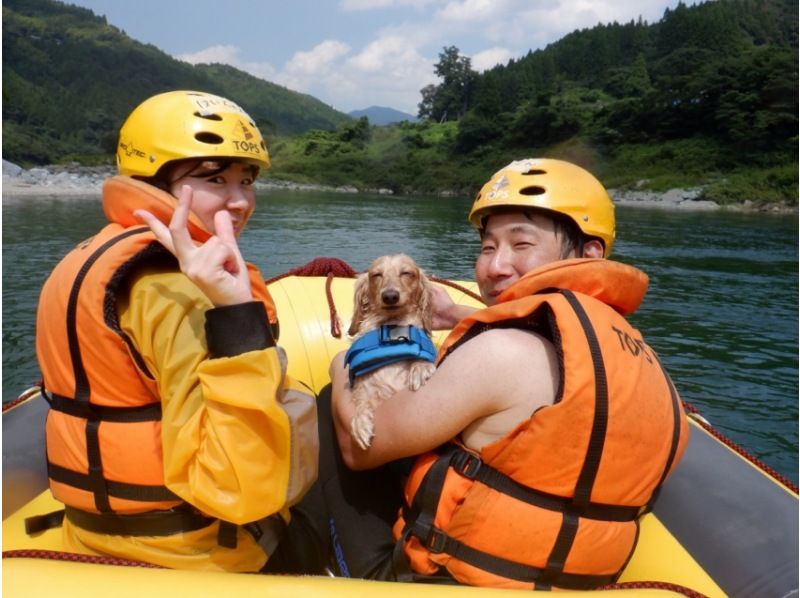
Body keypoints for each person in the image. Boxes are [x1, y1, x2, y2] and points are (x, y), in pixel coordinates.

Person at [312, 158, 691, 590]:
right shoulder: (641, 357)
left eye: (521, 244)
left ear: (588, 253)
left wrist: (344, 363)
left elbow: (359, 448)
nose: (495, 266)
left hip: (445, 580)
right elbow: (552, 352)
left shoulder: (499, 354)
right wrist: (456, 312)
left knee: (332, 401)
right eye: (488, 247)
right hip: (567, 578)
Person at [32, 90, 322, 573]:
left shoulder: (90, 253)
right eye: (214, 179)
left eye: (247, 180)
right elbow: (239, 489)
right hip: (196, 550)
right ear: (155, 182)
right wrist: (235, 314)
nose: (240, 200)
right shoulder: (178, 292)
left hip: (92, 532)